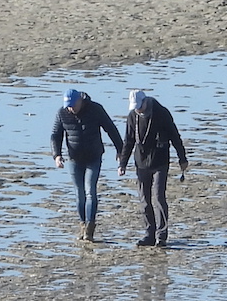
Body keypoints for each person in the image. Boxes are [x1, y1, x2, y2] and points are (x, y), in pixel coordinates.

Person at [116, 88, 189, 247]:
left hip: (160, 162)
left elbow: (175, 136)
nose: (138, 109)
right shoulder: (132, 116)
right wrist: (123, 164)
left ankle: (161, 236)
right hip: (141, 163)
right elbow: (128, 141)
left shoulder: (161, 113)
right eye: (135, 107)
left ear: (145, 101)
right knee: (144, 199)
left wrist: (182, 158)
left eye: (139, 106)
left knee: (158, 197)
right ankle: (149, 235)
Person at [49, 88, 124, 242]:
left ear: (80, 101)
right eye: (68, 106)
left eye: (73, 105)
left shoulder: (95, 109)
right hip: (74, 159)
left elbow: (110, 128)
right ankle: (82, 224)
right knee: (79, 193)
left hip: (93, 157)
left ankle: (90, 228)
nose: (71, 109)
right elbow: (55, 135)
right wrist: (57, 155)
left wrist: (120, 150)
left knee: (90, 191)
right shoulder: (62, 113)